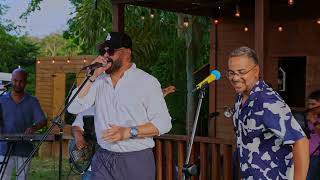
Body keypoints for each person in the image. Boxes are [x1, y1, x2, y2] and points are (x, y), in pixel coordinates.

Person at [68, 31, 172, 180]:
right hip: (103, 157)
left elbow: (163, 123)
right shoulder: (98, 81)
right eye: (102, 51)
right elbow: (73, 108)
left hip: (135, 158)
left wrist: (128, 132)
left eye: (110, 51)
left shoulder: (147, 82)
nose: (105, 56)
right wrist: (91, 77)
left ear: (127, 53)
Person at [226, 46, 309, 179]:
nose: (235, 78)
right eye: (231, 72)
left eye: (241, 72)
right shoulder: (241, 97)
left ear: (256, 71)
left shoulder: (267, 101)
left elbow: (301, 141)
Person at [72, 85, 175, 180]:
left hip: (128, 160)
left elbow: (145, 108)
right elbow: (76, 127)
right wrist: (79, 138)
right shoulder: (88, 110)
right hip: (97, 160)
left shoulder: (119, 107)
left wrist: (161, 94)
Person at [0, 68, 47, 180]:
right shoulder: (2, 99)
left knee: (22, 178)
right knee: (3, 177)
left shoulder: (32, 101)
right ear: (11, 80)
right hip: (3, 147)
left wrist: (33, 128)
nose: (17, 84)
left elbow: (43, 121)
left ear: (25, 82)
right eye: (15, 80)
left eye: (21, 81)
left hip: (24, 148)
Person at [306, 90, 320, 180]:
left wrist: (314, 122)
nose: (310, 107)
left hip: (317, 156)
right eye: (309, 104)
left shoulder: (314, 119)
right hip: (307, 154)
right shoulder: (306, 116)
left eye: (313, 104)